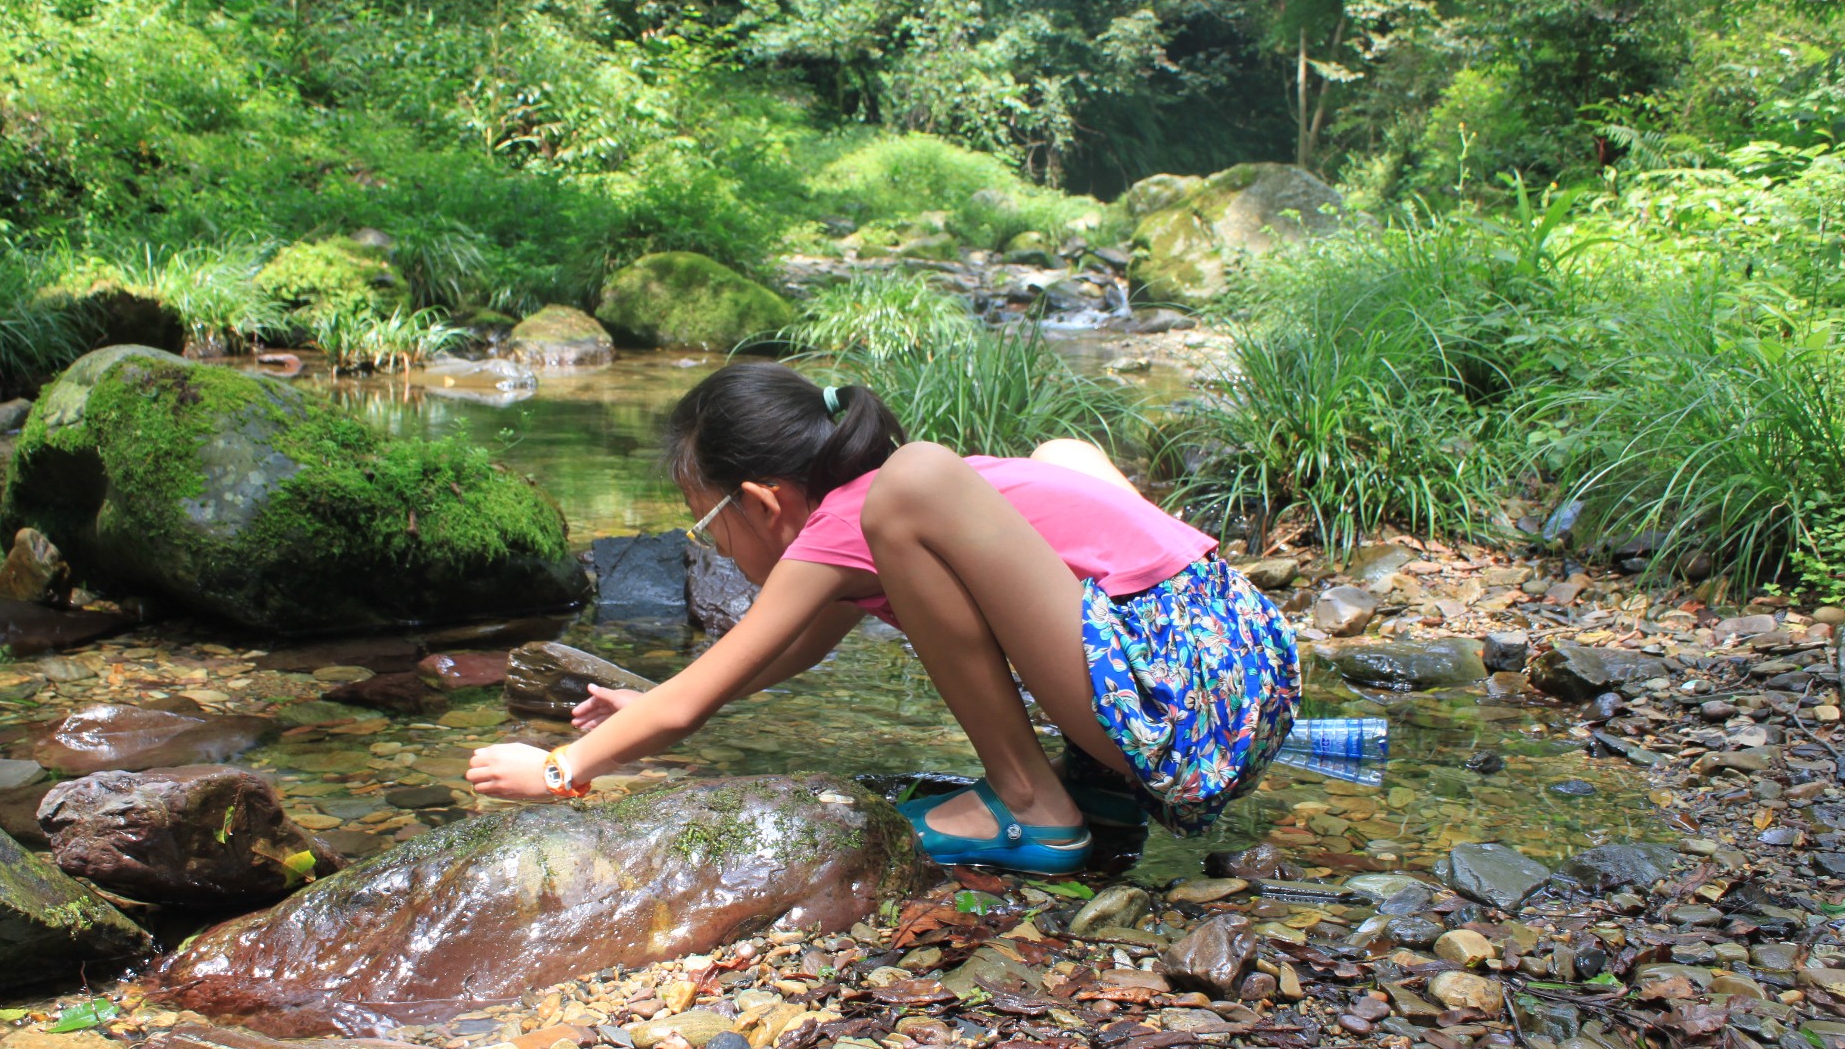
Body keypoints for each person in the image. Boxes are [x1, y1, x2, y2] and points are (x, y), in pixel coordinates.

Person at [466, 362, 1300, 873]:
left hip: (1181, 712)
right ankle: (1102, 789)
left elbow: (706, 692)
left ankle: (1031, 805)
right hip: (1243, 677)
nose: (709, 546)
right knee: (1062, 458)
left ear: (761, 503)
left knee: (920, 478)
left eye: (704, 520)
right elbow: (765, 660)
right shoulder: (871, 534)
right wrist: (646, 703)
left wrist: (558, 768)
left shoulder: (877, 512)